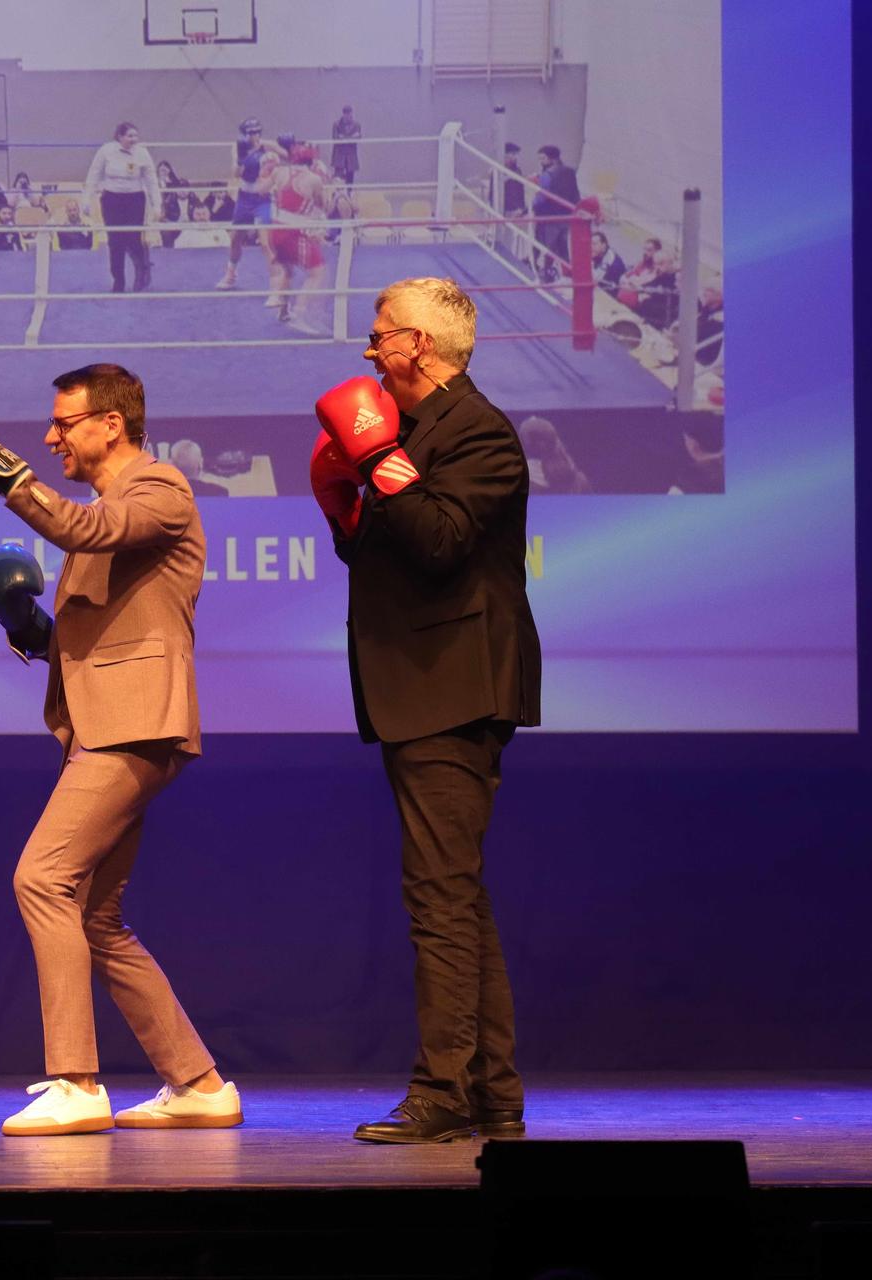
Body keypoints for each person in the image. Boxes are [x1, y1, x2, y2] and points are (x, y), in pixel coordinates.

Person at [0, 364, 241, 1137]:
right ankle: (198, 1083)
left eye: (64, 422)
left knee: (42, 877)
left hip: (135, 724)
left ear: (111, 425)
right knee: (96, 916)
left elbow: (80, 529)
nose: (52, 435)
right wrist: (30, 631)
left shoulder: (158, 489)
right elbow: (96, 631)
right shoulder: (111, 509)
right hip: (106, 724)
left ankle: (76, 1080)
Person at [308, 278, 541, 1144]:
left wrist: (375, 462)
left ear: (416, 345)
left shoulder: (481, 430)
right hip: (421, 682)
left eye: (380, 336)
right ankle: (490, 1094)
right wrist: (342, 505)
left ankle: (443, 1092)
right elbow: (390, 550)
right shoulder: (412, 433)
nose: (369, 350)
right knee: (455, 896)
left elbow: (442, 543)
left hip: (457, 683)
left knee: (439, 897)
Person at [83, 122, 161, 292]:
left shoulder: (142, 153)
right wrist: (86, 199)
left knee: (133, 239)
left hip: (135, 199)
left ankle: (142, 272)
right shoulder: (106, 151)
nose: (134, 139)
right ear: (119, 137)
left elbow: (151, 180)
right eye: (130, 136)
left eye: (136, 136)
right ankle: (118, 280)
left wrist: (157, 204)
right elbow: (94, 174)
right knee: (115, 241)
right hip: (111, 199)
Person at [265, 146, 332, 334]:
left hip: (275, 229)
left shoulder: (279, 172)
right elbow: (323, 205)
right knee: (317, 272)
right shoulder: (313, 179)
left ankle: (283, 311)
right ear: (312, 162)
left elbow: (262, 190)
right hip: (291, 233)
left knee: (288, 271)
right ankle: (298, 314)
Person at [216, 118, 283, 290]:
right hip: (244, 197)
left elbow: (287, 154)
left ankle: (277, 284)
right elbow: (236, 174)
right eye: (252, 133)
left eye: (257, 132)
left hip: (263, 198)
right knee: (236, 238)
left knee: (265, 242)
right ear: (245, 134)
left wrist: (292, 149)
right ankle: (231, 274)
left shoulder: (267, 146)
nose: (255, 136)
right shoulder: (238, 148)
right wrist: (241, 158)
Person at [532, 144, 581, 283]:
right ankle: (567, 275)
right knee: (562, 246)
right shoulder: (570, 172)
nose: (541, 161)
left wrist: (530, 208)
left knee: (547, 246)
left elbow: (541, 197)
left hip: (549, 216)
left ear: (551, 159)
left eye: (543, 158)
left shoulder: (547, 175)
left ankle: (544, 274)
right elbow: (575, 193)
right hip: (566, 215)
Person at [588, 230, 627, 297]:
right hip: (602, 288)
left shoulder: (610, 260)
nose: (591, 247)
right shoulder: (597, 254)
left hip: (612, 294)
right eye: (590, 244)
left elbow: (594, 280)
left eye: (594, 244)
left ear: (603, 245)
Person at [331, 105, 361, 186]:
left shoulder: (357, 125)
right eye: (347, 114)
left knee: (350, 175)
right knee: (338, 177)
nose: (349, 116)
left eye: (350, 113)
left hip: (351, 154)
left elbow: (358, 138)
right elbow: (336, 139)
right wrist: (351, 138)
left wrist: (343, 138)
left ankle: (349, 193)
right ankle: (337, 194)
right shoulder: (336, 124)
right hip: (339, 154)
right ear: (343, 114)